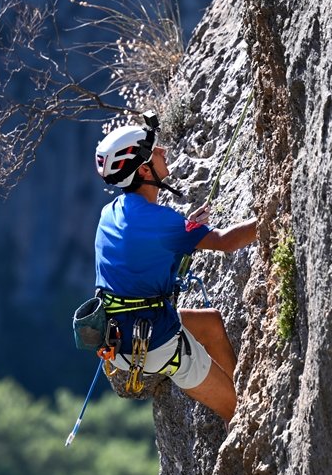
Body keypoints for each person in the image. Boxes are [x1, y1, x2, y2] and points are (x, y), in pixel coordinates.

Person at [93, 118, 256, 422]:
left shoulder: (110, 213)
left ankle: (241, 388)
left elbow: (140, 253)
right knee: (234, 411)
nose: (164, 151)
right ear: (143, 170)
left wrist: (185, 230)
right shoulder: (160, 222)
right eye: (155, 151)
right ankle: (240, 413)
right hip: (155, 341)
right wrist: (276, 212)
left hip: (121, 338)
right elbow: (226, 242)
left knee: (210, 324)